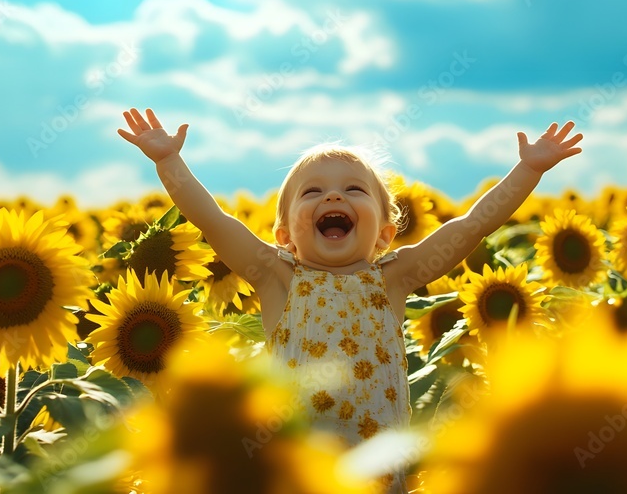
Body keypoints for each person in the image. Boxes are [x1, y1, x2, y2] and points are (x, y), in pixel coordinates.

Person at [118, 107, 583, 493]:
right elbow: (215, 223)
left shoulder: (395, 278)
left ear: (384, 232)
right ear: (284, 236)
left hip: (379, 474)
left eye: (354, 189)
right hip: (298, 475)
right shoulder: (277, 278)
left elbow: (473, 225)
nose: (334, 194)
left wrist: (529, 169)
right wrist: (168, 164)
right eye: (313, 191)